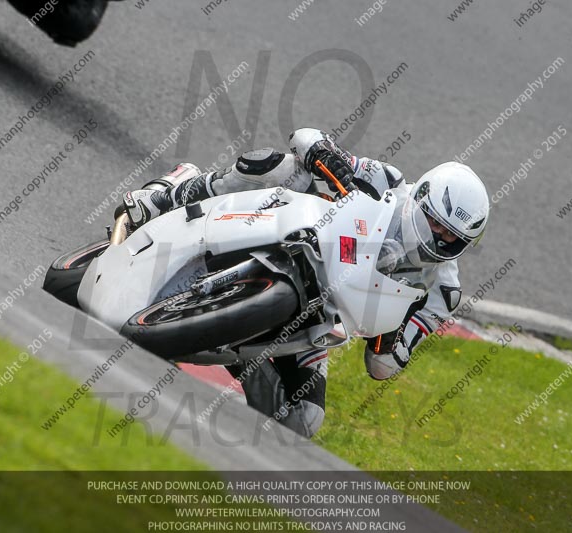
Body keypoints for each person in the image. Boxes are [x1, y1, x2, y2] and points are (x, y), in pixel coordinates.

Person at [118, 128, 489, 438]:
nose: (437, 237)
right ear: (420, 197)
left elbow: (383, 367)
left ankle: (211, 457)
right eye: (434, 222)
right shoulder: (388, 182)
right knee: (279, 166)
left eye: (450, 237)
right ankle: (168, 196)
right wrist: (332, 164)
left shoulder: (443, 293)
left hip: (316, 321)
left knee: (304, 420)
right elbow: (305, 137)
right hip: (289, 230)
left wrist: (393, 331)